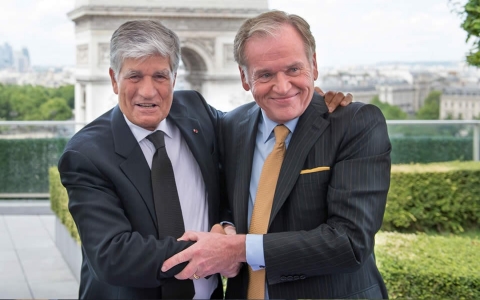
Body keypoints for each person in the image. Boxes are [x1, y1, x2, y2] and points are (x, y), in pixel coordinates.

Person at [58, 19, 351, 299]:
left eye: (160, 76)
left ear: (174, 77)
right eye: (134, 76)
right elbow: (112, 255)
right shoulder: (86, 154)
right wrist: (217, 254)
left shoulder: (196, 112)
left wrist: (304, 100)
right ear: (114, 79)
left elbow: (250, 126)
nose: (148, 91)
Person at [162, 10, 392, 299]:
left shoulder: (355, 124)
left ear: (314, 64)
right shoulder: (231, 127)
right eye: (266, 74)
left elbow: (350, 243)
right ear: (244, 78)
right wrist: (227, 228)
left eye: (294, 69)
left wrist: (236, 248)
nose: (283, 87)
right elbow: (226, 201)